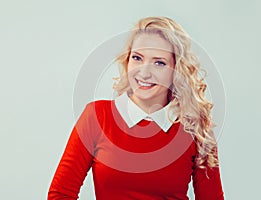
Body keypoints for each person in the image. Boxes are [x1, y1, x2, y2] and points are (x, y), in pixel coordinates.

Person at [48, 16, 224, 200]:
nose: (144, 72)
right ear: (127, 61)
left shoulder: (195, 127)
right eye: (137, 58)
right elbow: (60, 195)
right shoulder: (97, 117)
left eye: (159, 63)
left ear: (176, 70)